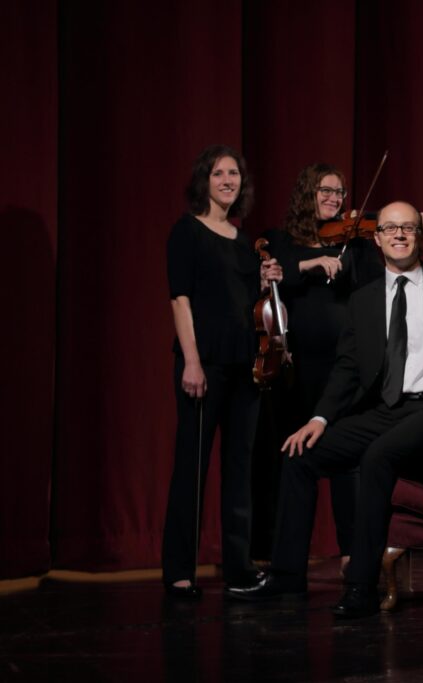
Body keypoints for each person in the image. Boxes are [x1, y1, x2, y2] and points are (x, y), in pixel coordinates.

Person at [226, 200, 423, 619]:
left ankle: (360, 586)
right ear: (376, 239)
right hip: (384, 409)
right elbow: (346, 367)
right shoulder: (363, 300)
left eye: (408, 228)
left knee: (377, 456)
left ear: (421, 235)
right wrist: (319, 419)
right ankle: (287, 575)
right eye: (390, 228)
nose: (399, 234)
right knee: (299, 456)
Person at [163, 144, 283, 598]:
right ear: (204, 181)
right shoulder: (186, 233)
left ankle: (239, 567)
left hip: (246, 368)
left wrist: (266, 281)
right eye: (219, 174)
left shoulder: (246, 243)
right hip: (205, 363)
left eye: (235, 173)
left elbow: (249, 308)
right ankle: (179, 569)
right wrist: (192, 362)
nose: (228, 180)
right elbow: (181, 300)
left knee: (240, 469)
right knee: (191, 468)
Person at [260, 163, 384, 569]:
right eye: (325, 191)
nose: (334, 199)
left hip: (345, 367)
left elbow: (372, 288)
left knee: (348, 460)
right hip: (297, 365)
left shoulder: (357, 245)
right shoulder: (282, 241)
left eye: (339, 192)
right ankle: (286, 562)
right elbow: (274, 277)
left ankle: (353, 554)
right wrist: (313, 264)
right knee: (293, 457)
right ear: (306, 195)